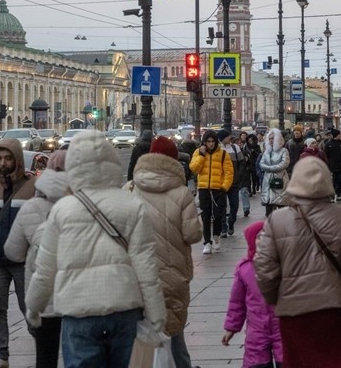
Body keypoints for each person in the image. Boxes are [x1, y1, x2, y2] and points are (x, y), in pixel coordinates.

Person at [25, 130, 166, 367]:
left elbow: (45, 267)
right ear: (112, 162)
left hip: (78, 313)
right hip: (124, 309)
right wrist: (157, 313)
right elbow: (146, 266)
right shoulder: (132, 205)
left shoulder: (63, 209)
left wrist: (34, 306)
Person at [254, 157, 341, 368]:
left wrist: (276, 299)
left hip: (294, 312)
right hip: (334, 311)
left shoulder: (276, 221)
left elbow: (265, 271)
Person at [127, 136, 202, 368]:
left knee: (146, 333)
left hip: (138, 273)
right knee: (174, 330)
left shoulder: (130, 189)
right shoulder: (181, 194)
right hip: (174, 272)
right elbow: (193, 234)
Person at [4, 150, 69, 368]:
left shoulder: (31, 207)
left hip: (44, 298)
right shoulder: (83, 206)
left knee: (45, 357)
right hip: (77, 297)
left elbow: (12, 252)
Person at [0, 138, 37, 368]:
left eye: (8, 158)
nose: (3, 163)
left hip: (24, 260)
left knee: (29, 308)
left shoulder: (32, 187)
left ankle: (41, 344)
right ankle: (0, 355)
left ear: (17, 160)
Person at [222, 221, 283, 368]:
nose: (263, 241)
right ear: (251, 241)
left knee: (287, 359)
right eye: (258, 237)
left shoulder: (283, 264)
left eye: (266, 236)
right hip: (257, 329)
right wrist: (232, 327)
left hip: (282, 325)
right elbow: (237, 302)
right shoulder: (245, 269)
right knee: (257, 361)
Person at [190, 130, 233, 255]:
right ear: (204, 142)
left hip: (218, 189)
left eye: (212, 141)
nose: (210, 144)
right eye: (208, 142)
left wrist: (224, 187)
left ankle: (216, 236)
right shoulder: (198, 152)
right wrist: (201, 156)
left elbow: (228, 172)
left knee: (218, 215)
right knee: (206, 216)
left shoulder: (223, 154)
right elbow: (194, 168)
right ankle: (207, 242)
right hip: (204, 188)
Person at [221, 130, 247, 237]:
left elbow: (242, 162)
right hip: (222, 182)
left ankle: (231, 222)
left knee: (234, 205)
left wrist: (239, 174)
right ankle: (223, 227)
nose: (229, 138)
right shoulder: (218, 149)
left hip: (234, 181)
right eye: (227, 136)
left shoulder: (235, 148)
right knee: (222, 206)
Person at [259, 128, 290, 217]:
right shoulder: (267, 152)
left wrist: (270, 168)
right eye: (270, 138)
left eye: (273, 138)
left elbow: (284, 163)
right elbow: (261, 163)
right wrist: (269, 168)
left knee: (281, 204)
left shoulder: (284, 151)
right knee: (268, 205)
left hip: (280, 179)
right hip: (268, 180)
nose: (271, 140)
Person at [325, 129, 341, 203]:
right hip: (331, 166)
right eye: (339, 134)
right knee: (332, 182)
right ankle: (332, 196)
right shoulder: (328, 144)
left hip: (340, 166)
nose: (340, 135)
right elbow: (326, 155)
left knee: (339, 181)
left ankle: (338, 194)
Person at [243, 132, 262, 203]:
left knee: (254, 177)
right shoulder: (246, 146)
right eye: (249, 140)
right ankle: (249, 190)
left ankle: (254, 187)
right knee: (248, 178)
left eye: (251, 140)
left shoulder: (257, 146)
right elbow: (244, 153)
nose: (250, 142)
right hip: (248, 164)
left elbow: (259, 154)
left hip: (254, 164)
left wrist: (254, 152)